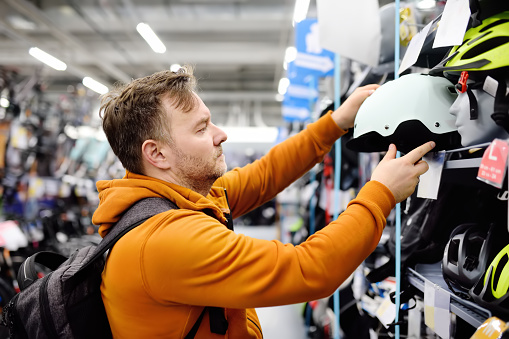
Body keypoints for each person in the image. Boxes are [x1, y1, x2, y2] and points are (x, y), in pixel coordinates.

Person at [92, 66, 434, 338]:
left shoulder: (178, 198)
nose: (220, 134)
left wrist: (335, 122)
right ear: (157, 153)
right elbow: (311, 268)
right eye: (201, 129)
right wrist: (381, 193)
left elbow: (264, 175)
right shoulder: (163, 241)